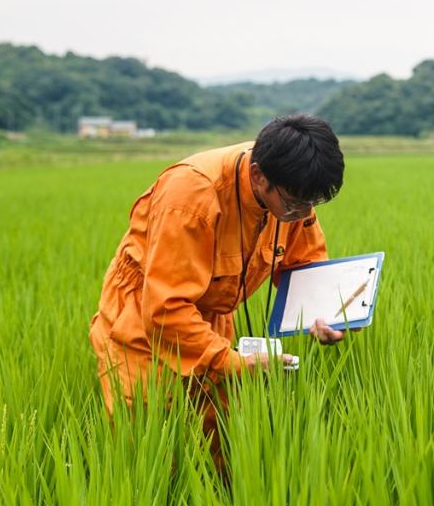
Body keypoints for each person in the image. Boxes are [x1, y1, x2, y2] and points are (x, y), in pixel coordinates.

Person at [88, 114, 346, 467]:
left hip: (212, 314)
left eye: (310, 204)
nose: (301, 214)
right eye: (293, 204)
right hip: (144, 316)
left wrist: (324, 313)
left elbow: (302, 265)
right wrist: (231, 362)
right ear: (259, 176)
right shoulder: (191, 196)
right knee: (146, 439)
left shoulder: (291, 191)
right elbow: (166, 308)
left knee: (222, 431)